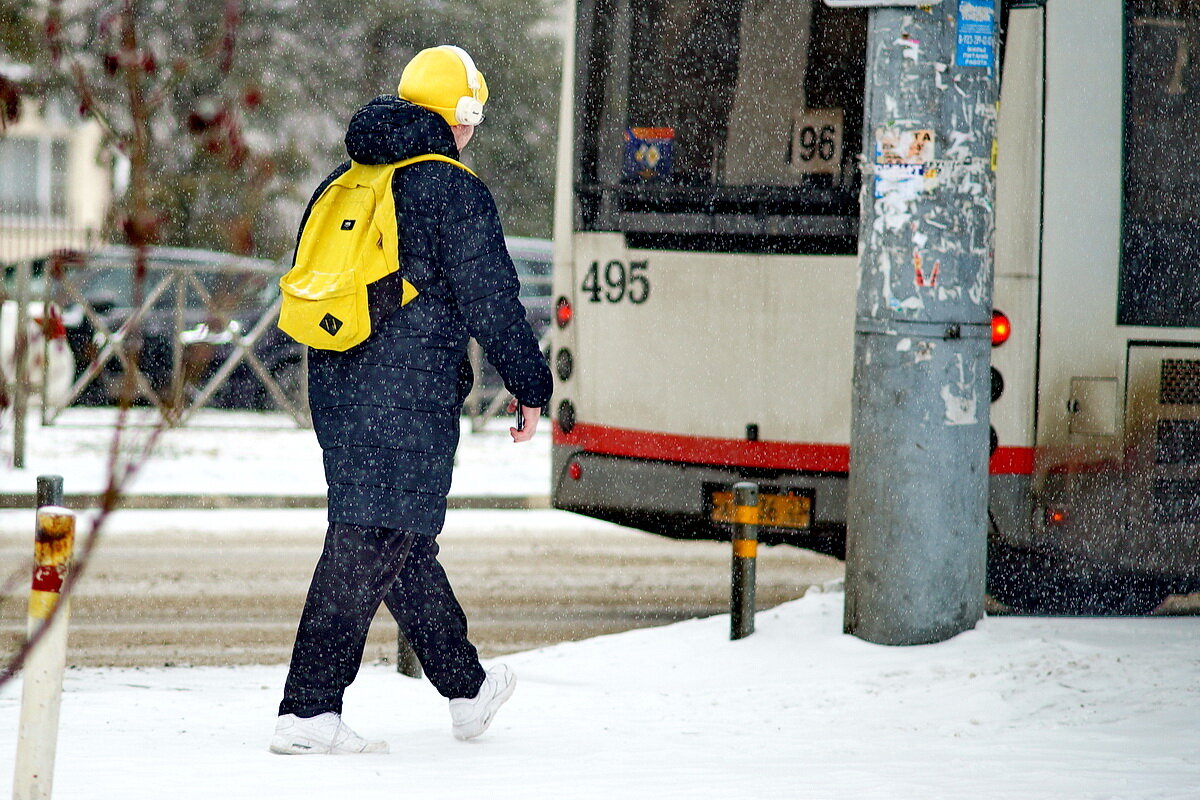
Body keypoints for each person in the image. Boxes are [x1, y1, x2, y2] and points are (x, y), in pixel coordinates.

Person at [270, 45, 553, 755]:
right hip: (407, 389)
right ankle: (307, 713)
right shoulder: (450, 189)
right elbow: (493, 300)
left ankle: (467, 691)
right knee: (370, 537)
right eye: (474, 114)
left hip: (337, 382)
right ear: (460, 114)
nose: (474, 128)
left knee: (399, 536)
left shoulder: (347, 178)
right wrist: (531, 384)